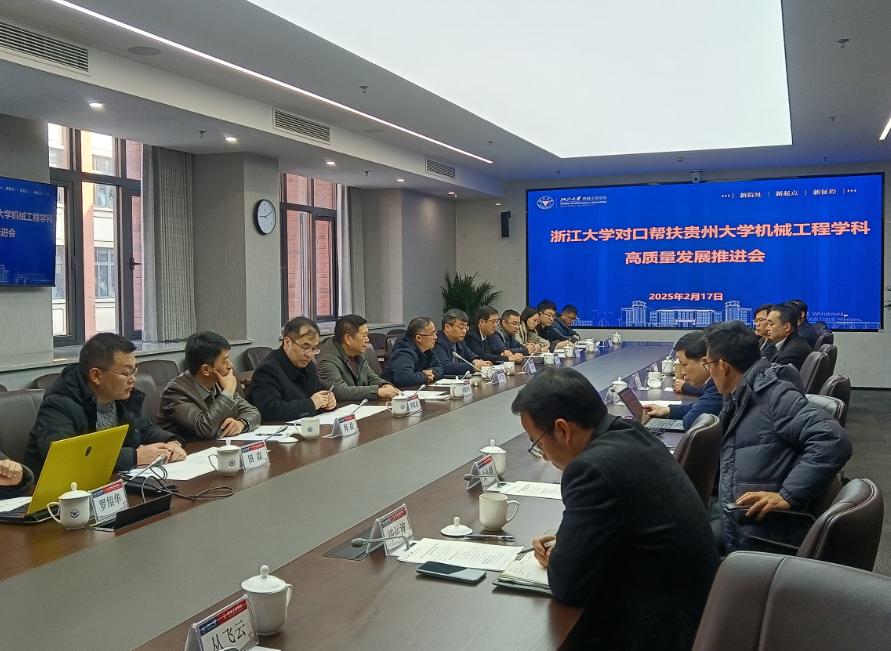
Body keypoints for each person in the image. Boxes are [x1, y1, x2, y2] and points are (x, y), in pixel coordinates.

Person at [513, 367, 719, 651]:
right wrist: (575, 544)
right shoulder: (631, 433)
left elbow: (569, 585)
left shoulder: (591, 469)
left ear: (562, 429)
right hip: (696, 616)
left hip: (657, 633)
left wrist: (562, 555)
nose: (545, 456)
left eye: (538, 443)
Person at [703, 321, 851, 554]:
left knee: (673, 542)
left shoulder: (775, 396)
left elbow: (833, 440)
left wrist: (788, 495)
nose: (708, 373)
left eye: (708, 364)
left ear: (722, 366)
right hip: (735, 509)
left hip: (753, 529)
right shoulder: (742, 395)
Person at [24, 333, 186, 479]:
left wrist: (172, 442)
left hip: (109, 482)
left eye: (134, 371)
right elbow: (65, 458)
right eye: (126, 373)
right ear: (96, 375)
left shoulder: (119, 397)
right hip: (57, 493)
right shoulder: (59, 405)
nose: (133, 379)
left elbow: (144, 428)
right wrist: (135, 457)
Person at [157, 331, 261, 440]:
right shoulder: (175, 392)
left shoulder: (218, 383)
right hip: (188, 449)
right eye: (225, 362)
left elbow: (253, 412)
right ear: (206, 370)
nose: (230, 365)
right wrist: (228, 393)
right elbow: (205, 428)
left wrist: (241, 423)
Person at [248, 317, 336, 422]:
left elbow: (320, 391)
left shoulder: (309, 366)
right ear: (287, 342)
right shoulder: (267, 370)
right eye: (305, 347)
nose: (309, 354)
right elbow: (269, 409)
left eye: (314, 349)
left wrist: (329, 400)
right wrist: (311, 404)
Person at [643, 331, 722, 430]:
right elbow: (700, 407)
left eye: (684, 364)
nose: (683, 372)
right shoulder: (714, 384)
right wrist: (669, 410)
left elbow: (691, 421)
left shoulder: (719, 387)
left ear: (705, 361)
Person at [317, 315, 400, 401]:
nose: (367, 340)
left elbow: (371, 377)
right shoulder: (327, 360)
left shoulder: (356, 353)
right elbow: (340, 392)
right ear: (347, 339)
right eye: (364, 336)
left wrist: (384, 385)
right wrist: (377, 391)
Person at [381, 317, 444, 387]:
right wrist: (424, 376)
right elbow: (404, 378)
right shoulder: (403, 352)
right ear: (418, 338)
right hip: (395, 390)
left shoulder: (427, 350)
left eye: (435, 333)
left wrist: (432, 372)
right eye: (432, 334)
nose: (435, 337)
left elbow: (439, 367)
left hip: (415, 389)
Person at [432, 309, 491, 376]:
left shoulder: (459, 341)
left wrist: (476, 360)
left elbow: (470, 355)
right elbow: (445, 367)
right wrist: (473, 367)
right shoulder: (437, 342)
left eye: (466, 327)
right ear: (447, 327)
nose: (464, 331)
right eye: (461, 327)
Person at [766, 303, 812, 371]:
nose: (767, 328)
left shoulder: (793, 353)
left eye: (771, 324)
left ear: (787, 327)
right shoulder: (789, 344)